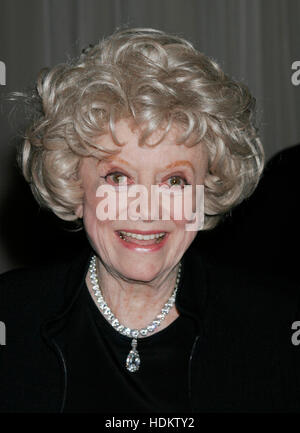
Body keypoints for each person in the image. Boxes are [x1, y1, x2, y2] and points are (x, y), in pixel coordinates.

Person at [0, 28, 299, 413]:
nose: (147, 209)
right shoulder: (10, 315)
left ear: (205, 193)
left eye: (174, 181)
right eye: (119, 178)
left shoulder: (276, 327)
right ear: (75, 186)